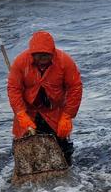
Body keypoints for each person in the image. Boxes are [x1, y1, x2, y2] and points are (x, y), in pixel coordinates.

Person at [7, 31, 83, 165]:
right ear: (32, 54)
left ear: (52, 53)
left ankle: (67, 177)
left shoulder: (65, 61)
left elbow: (75, 88)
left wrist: (67, 116)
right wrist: (20, 113)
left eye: (45, 55)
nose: (42, 59)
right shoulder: (20, 62)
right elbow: (14, 89)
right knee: (25, 150)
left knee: (63, 149)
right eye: (38, 56)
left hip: (55, 112)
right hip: (29, 112)